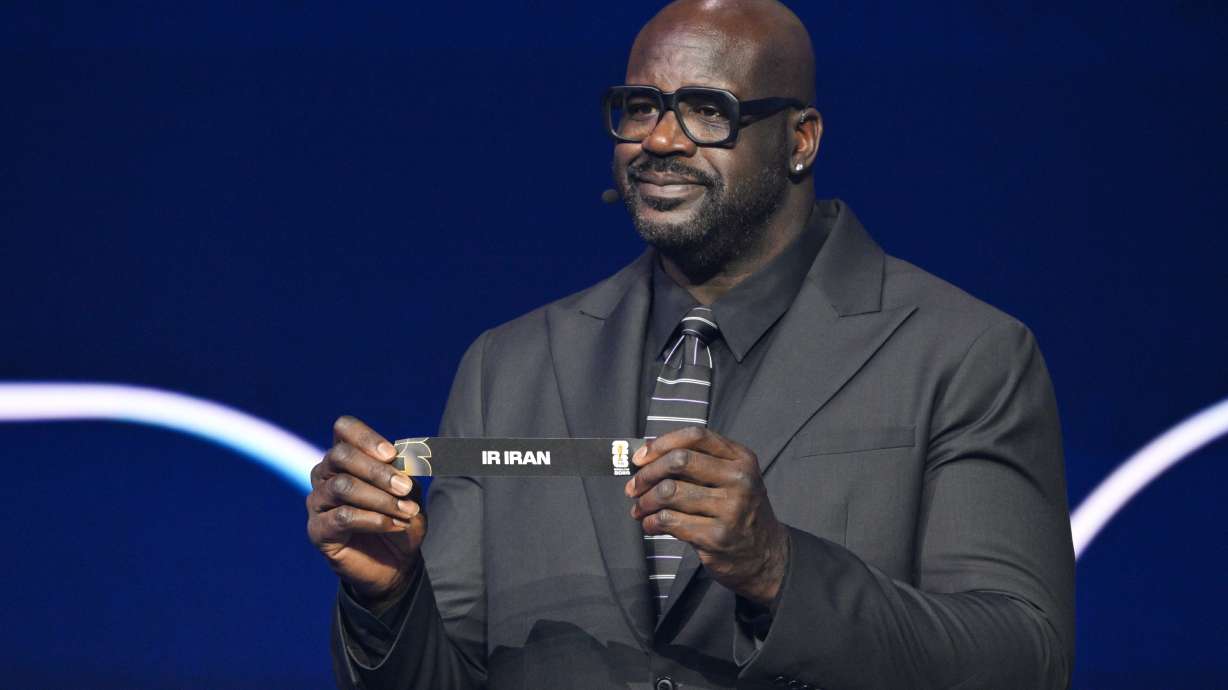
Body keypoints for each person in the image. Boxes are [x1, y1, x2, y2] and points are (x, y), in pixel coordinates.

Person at [305, 1, 1075, 687]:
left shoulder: (965, 354)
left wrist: (781, 571)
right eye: (640, 108)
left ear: (800, 139)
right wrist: (389, 598)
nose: (660, 139)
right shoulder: (508, 366)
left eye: (707, 111)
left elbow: (1023, 658)